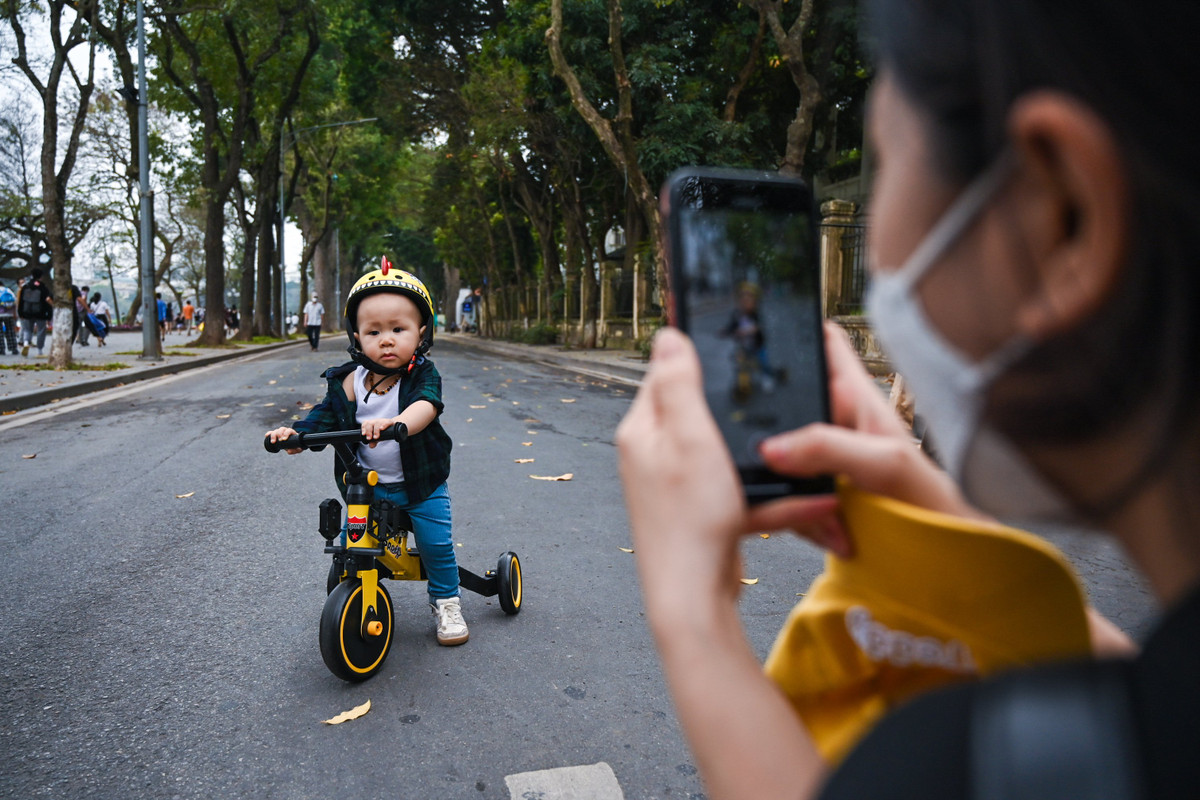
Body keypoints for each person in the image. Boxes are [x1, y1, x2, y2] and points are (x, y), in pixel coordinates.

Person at [616, 1, 1200, 798]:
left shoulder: (966, 765)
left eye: (890, 160)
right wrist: (947, 530)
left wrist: (693, 617)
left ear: (1062, 214)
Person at [265, 260, 467, 646]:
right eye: (374, 331)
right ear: (357, 337)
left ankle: (446, 600)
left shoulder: (423, 375)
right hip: (367, 488)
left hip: (420, 484)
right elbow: (323, 416)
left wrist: (396, 422)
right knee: (349, 543)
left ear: (421, 333)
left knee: (435, 544)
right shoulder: (348, 381)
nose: (386, 340)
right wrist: (296, 434)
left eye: (398, 329)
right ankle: (353, 597)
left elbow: (426, 406)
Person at [17, 268, 53, 357]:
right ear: (41, 276)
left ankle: (26, 343)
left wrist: (20, 312)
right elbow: (47, 301)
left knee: (27, 330)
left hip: (27, 312)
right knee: (41, 331)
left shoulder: (25, 287)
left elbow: (21, 301)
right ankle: (39, 350)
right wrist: (49, 315)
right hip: (41, 313)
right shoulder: (43, 287)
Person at [0, 283, 17, 355]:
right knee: (10, 331)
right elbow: (14, 302)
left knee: (0, 333)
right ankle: (13, 348)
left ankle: (1, 349)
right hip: (9, 314)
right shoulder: (8, 290)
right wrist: (14, 313)